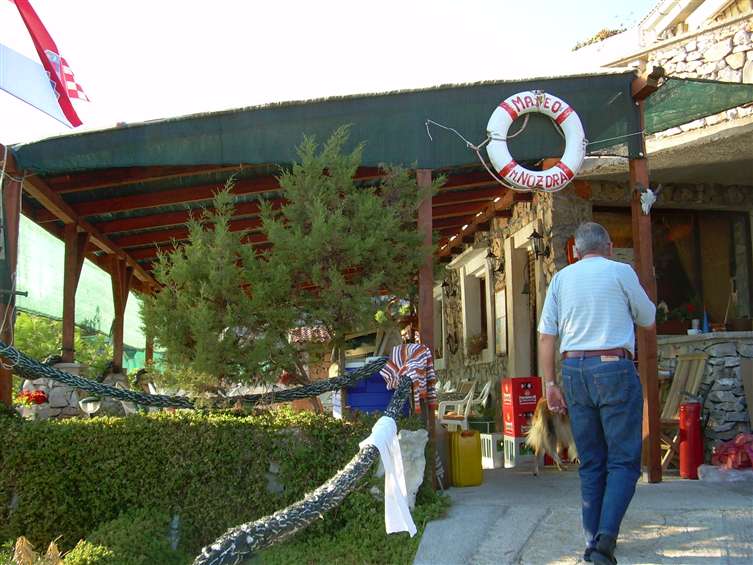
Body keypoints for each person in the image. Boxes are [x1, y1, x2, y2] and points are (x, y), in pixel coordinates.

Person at [538, 222, 656, 565]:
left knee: (591, 461)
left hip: (574, 369)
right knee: (623, 461)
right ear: (609, 246)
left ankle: (593, 541)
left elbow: (546, 337)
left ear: (575, 251)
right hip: (614, 367)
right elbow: (648, 318)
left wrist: (550, 385)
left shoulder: (561, 279)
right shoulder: (621, 271)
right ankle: (605, 542)